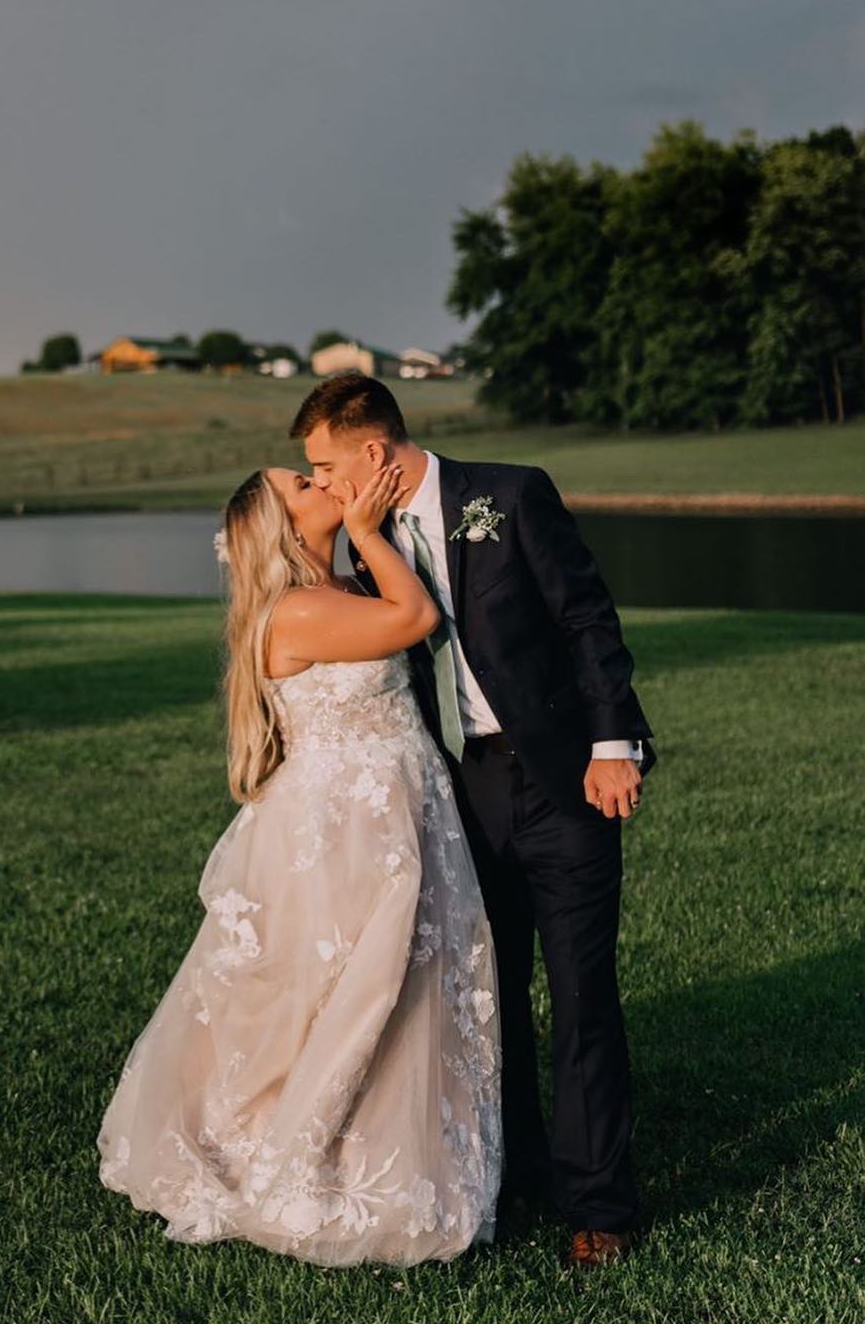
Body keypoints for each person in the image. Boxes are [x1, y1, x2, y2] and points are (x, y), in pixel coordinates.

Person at [97, 461, 503, 1266]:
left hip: (392, 810)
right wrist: (365, 530)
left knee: (390, 987)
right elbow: (416, 616)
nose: (323, 481)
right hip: (345, 828)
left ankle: (399, 1149)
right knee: (351, 991)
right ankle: (300, 1155)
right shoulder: (297, 609)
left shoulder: (337, 590)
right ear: (282, 526)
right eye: (303, 485)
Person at [290, 371, 654, 1267]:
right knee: (489, 994)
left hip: (566, 780)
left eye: (326, 467)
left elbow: (587, 621)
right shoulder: (365, 545)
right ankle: (513, 1169)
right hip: (461, 794)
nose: (324, 484)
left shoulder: (511, 495)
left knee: (581, 994)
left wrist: (613, 742)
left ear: (371, 450)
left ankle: (599, 1204)